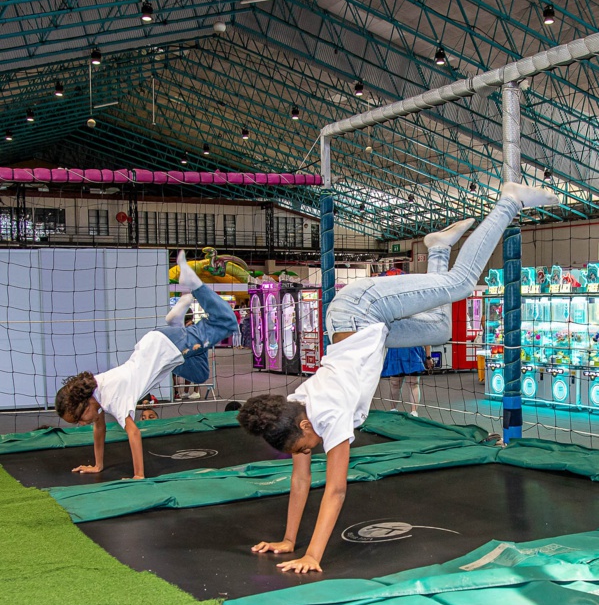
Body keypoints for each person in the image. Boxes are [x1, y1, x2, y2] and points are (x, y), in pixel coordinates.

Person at [237, 181, 559, 573]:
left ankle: (509, 201)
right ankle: (438, 247)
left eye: (305, 447)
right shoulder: (295, 411)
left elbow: (336, 490)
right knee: (439, 330)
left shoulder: (329, 413)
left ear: (305, 423)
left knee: (459, 285)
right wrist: (288, 541)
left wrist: (312, 555)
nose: (308, 453)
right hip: (367, 329)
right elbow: (301, 482)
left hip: (362, 309)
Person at [54, 250, 238, 479]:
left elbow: (133, 433)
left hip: (166, 347)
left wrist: (138, 475)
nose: (82, 423)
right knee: (200, 374)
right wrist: (98, 465)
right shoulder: (96, 393)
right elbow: (98, 428)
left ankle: (194, 283)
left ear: (84, 403)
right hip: (161, 353)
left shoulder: (111, 397)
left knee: (227, 322)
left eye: (79, 418)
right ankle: (177, 322)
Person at [381, 345, 433, 416]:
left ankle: (414, 412)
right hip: (395, 352)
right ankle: (393, 410)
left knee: (413, 383)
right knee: (395, 383)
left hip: (413, 352)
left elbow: (427, 338)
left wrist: (428, 357)